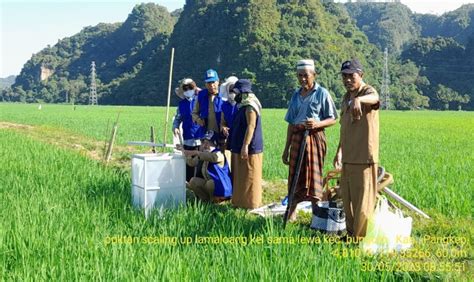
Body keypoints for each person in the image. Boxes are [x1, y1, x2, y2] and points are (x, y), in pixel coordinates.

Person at [282, 59, 338, 221]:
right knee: (294, 176)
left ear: (314, 75)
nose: (303, 79)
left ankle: (316, 215)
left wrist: (317, 123)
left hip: (315, 138)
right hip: (298, 139)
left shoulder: (322, 93)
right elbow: (291, 124)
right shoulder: (295, 95)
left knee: (314, 177)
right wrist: (286, 149)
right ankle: (291, 212)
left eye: (306, 75)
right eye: (300, 76)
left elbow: (333, 118)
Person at [333, 58, 380, 239]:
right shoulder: (345, 98)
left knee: (363, 203)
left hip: (363, 158)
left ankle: (360, 240)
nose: (347, 80)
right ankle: (351, 234)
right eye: (344, 77)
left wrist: (360, 100)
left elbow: (375, 98)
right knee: (348, 201)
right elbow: (344, 127)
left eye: (351, 76)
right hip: (348, 158)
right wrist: (339, 150)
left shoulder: (367, 91)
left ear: (360, 75)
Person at [230, 79, 263, 209]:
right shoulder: (242, 105)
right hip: (239, 145)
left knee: (250, 176)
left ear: (244, 93)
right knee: (240, 176)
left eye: (237, 92)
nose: (235, 95)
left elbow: (251, 126)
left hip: (250, 147)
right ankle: (239, 202)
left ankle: (251, 203)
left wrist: (245, 145)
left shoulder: (250, 106)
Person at [184, 131, 232, 203]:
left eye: (208, 143)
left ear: (215, 144)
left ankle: (219, 201)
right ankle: (206, 201)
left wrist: (197, 153)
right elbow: (192, 163)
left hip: (223, 189)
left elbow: (214, 158)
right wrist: (185, 153)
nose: (205, 145)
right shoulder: (204, 154)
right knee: (194, 181)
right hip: (210, 186)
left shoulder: (219, 154)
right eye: (204, 142)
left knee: (210, 183)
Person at [172, 78, 203, 181]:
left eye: (190, 88)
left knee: (200, 165)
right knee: (189, 165)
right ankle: (189, 187)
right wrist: (175, 127)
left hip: (200, 138)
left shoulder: (200, 100)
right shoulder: (182, 104)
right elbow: (178, 118)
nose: (188, 90)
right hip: (188, 139)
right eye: (185, 89)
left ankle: (200, 189)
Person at [192, 69, 223, 142]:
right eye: (209, 83)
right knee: (206, 153)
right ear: (205, 84)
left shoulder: (224, 94)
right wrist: (199, 120)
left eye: (213, 82)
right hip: (206, 134)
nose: (211, 85)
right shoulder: (201, 95)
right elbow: (194, 113)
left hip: (221, 133)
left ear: (218, 81)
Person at [220, 76, 239, 151]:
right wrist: (223, 127)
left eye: (234, 90)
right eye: (231, 90)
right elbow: (222, 122)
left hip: (241, 138)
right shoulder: (224, 105)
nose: (233, 92)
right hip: (229, 138)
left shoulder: (242, 105)